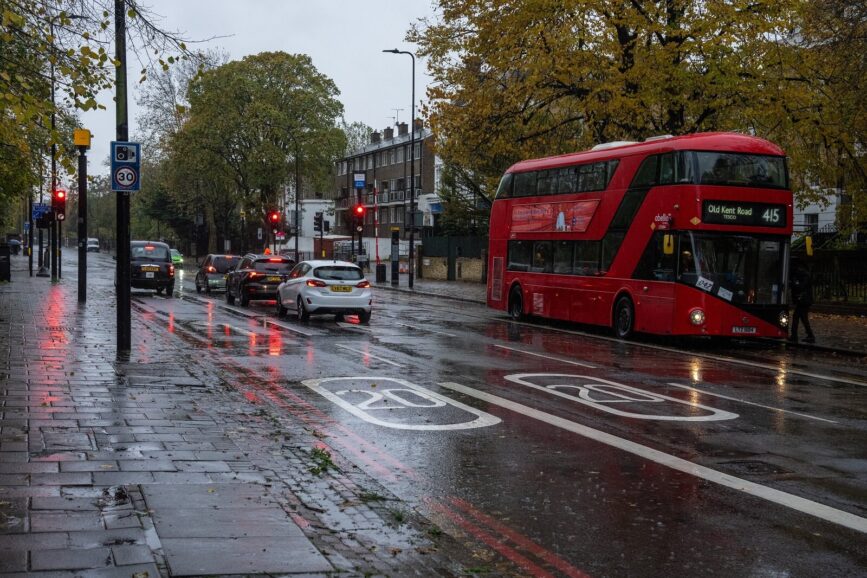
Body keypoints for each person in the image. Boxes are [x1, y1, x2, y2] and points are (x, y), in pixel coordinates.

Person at [789, 260, 815, 343]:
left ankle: (795, 336)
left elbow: (800, 287)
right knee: (803, 318)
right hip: (804, 300)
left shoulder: (802, 275)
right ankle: (809, 336)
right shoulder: (801, 274)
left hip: (804, 300)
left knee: (797, 316)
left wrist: (794, 283)